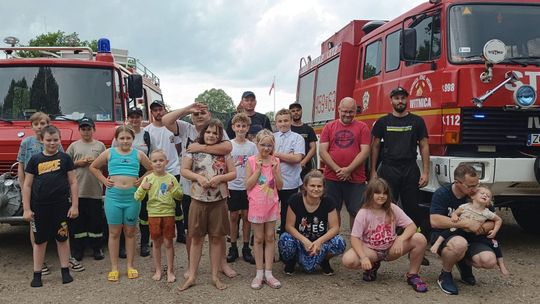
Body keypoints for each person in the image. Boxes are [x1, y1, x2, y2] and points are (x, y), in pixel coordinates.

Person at [162, 102, 236, 279]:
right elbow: (165, 120)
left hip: (217, 192)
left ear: (209, 115)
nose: (199, 116)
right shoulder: (185, 128)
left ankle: (222, 263)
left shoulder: (216, 128)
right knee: (193, 232)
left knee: (218, 232)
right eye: (196, 114)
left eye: (203, 113)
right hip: (191, 191)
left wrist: (200, 147)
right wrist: (187, 109)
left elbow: (227, 148)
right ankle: (191, 265)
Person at [17, 112, 84, 275]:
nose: (40, 126)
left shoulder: (56, 144)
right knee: (36, 230)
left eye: (43, 123)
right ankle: (40, 263)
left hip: (57, 195)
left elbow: (64, 164)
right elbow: (21, 166)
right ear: (32, 126)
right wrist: (24, 188)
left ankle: (67, 260)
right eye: (36, 124)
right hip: (35, 192)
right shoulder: (27, 143)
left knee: (62, 229)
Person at [178, 119, 236, 291]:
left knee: (216, 238)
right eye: (208, 132)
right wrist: (199, 177)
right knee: (196, 238)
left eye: (215, 133)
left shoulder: (224, 153)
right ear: (203, 133)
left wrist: (219, 178)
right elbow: (184, 170)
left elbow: (233, 173)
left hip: (218, 201)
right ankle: (193, 276)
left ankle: (214, 276)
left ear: (219, 135)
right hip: (198, 199)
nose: (211, 135)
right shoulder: (192, 150)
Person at [342, 178, 428, 293]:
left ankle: (413, 275)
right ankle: (372, 265)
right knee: (348, 260)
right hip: (371, 250)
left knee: (420, 239)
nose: (381, 196)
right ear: (370, 194)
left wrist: (400, 239)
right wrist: (363, 257)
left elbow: (411, 226)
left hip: (390, 249)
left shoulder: (392, 208)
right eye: (377, 192)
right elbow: (355, 238)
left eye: (385, 193)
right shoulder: (363, 213)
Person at [89, 126, 153, 282]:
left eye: (128, 138)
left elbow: (151, 169)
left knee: (130, 233)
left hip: (132, 199)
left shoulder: (138, 154)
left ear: (133, 139)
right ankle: (114, 268)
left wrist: (142, 179)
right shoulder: (109, 152)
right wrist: (104, 180)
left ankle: (130, 266)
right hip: (113, 198)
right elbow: (93, 167)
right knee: (114, 233)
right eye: (122, 138)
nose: (125, 141)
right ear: (116, 139)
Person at [430, 164, 500, 295]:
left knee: (489, 261)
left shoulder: (479, 194)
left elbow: (493, 220)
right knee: (459, 244)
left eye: (477, 184)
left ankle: (462, 262)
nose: (475, 189)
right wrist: (465, 223)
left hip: (473, 237)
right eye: (470, 186)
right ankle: (445, 275)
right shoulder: (442, 194)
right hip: (447, 235)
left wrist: (482, 227)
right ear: (457, 183)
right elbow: (435, 221)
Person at [370, 87, 430, 237]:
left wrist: (426, 172)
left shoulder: (417, 121)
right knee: (386, 205)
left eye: (403, 98)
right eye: (397, 98)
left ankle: (416, 243)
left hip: (410, 169)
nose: (400, 101)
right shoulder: (383, 122)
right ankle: (384, 240)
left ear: (407, 99)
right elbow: (375, 146)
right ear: (391, 101)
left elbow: (424, 145)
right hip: (389, 169)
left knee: (412, 208)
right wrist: (373, 171)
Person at [278, 170, 346, 275]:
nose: (316, 189)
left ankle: (324, 260)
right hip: (300, 243)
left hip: (320, 244)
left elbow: (335, 227)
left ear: (323, 188)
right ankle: (292, 260)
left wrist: (319, 242)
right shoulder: (295, 199)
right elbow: (289, 226)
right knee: (285, 239)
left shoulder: (328, 201)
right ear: (305, 186)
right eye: (312, 185)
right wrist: (305, 241)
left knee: (339, 242)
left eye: (319, 186)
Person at [430, 186, 508, 276]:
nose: (485, 195)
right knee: (450, 231)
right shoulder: (465, 206)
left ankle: (501, 265)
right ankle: (437, 244)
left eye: (488, 196)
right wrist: (455, 217)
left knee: (495, 243)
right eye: (482, 193)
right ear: (472, 196)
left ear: (489, 202)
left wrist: (494, 231)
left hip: (475, 234)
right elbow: (455, 213)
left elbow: (498, 220)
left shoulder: (487, 212)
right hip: (461, 229)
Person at [319, 97, 370, 228]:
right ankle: (335, 242)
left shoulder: (363, 127)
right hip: (332, 177)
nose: (348, 114)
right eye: (345, 111)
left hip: (356, 178)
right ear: (339, 110)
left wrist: (348, 170)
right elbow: (323, 152)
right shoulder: (329, 127)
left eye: (351, 112)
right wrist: (338, 170)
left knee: (356, 211)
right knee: (333, 210)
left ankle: (355, 244)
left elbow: (365, 151)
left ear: (355, 112)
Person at [134, 149, 183, 283]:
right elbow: (137, 197)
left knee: (168, 243)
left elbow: (180, 196)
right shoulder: (148, 178)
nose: (158, 163)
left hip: (168, 214)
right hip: (153, 215)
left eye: (161, 160)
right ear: (151, 163)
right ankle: (158, 270)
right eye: (155, 161)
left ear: (166, 162)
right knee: (156, 243)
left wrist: (173, 189)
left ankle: (171, 270)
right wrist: (143, 188)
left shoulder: (171, 178)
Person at [111, 106, 154, 257]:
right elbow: (112, 156)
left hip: (143, 177)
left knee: (143, 213)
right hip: (125, 176)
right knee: (124, 215)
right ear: (128, 118)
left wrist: (143, 180)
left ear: (141, 118)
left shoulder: (147, 135)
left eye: (137, 116)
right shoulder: (120, 134)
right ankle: (122, 246)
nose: (134, 120)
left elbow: (153, 158)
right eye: (132, 117)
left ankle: (144, 244)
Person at [245, 129, 284, 290]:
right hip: (256, 205)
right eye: (263, 145)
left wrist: (275, 171)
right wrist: (259, 170)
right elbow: (247, 185)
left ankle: (269, 272)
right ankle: (259, 272)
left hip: (272, 205)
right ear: (257, 144)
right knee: (258, 238)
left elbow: (280, 186)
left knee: (270, 237)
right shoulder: (252, 161)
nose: (266, 148)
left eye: (269, 145)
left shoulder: (276, 161)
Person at [144, 100, 186, 245]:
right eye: (155, 110)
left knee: (176, 202)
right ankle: (154, 234)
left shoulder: (172, 127)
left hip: (173, 169)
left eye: (160, 109)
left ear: (165, 110)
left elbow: (179, 146)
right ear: (152, 112)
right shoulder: (147, 130)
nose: (158, 112)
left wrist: (178, 162)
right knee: (155, 201)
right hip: (154, 172)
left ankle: (181, 233)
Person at [66, 117, 106, 261]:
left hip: (94, 190)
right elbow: (66, 165)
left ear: (93, 130)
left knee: (95, 221)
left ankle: (97, 248)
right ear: (79, 130)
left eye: (89, 129)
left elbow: (105, 164)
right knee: (78, 222)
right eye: (83, 129)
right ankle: (78, 249)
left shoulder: (100, 146)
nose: (86, 132)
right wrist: (79, 163)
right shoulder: (73, 146)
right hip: (78, 191)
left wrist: (94, 163)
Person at [226, 112, 257, 264]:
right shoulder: (229, 145)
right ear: (233, 127)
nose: (241, 128)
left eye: (244, 126)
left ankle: (246, 247)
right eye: (238, 126)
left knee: (246, 216)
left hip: (247, 186)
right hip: (232, 185)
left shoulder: (252, 147)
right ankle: (233, 247)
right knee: (233, 216)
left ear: (248, 128)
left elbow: (256, 165)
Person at [273, 108, 305, 235]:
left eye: (286, 120)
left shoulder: (297, 138)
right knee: (270, 212)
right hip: (272, 182)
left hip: (290, 182)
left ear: (291, 121)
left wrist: (275, 154)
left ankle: (285, 243)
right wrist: (288, 156)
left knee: (287, 214)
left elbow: (297, 158)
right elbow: (265, 156)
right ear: (276, 123)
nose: (283, 123)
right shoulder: (272, 137)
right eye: (280, 121)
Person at [289, 103, 317, 180]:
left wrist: (304, 162)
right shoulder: (288, 129)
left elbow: (313, 148)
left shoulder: (308, 129)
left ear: (301, 111)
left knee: (306, 189)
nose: (296, 112)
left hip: (306, 166)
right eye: (293, 111)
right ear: (290, 113)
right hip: (290, 167)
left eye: (298, 110)